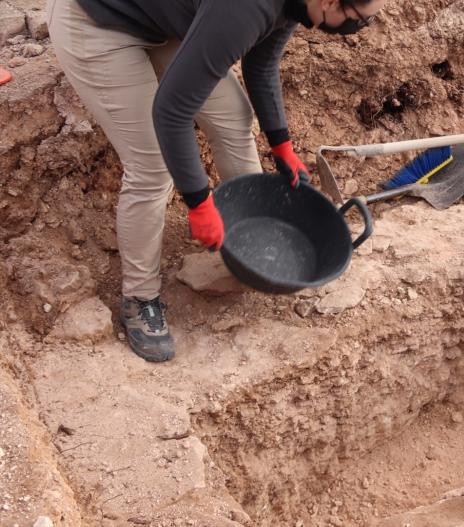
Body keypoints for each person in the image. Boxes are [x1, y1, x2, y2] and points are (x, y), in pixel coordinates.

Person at [46, 0, 387, 362]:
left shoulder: (299, 4)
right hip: (95, 22)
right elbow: (171, 111)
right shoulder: (245, 7)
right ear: (330, 2)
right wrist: (199, 202)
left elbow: (263, 63)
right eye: (355, 19)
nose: (356, 27)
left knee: (233, 117)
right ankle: (139, 299)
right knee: (153, 166)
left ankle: (250, 234)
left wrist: (281, 144)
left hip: (156, 20)